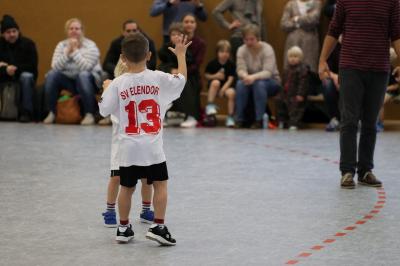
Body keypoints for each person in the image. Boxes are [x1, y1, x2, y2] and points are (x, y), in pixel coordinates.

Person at [98, 32, 189, 245]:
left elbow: (103, 110)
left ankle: (122, 228)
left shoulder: (118, 83)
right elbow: (181, 81)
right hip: (153, 147)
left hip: (128, 147)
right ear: (149, 55)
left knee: (127, 188)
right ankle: (158, 225)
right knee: (160, 184)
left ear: (122, 58)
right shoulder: (158, 78)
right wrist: (181, 55)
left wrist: (106, 89)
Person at [318, 0, 400, 189]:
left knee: (371, 122)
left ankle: (365, 171)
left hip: (380, 69)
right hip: (350, 67)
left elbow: (397, 33)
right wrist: (322, 60)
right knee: (349, 120)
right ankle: (347, 171)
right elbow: (334, 30)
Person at [101, 59, 154, 228]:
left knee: (147, 178)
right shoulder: (115, 89)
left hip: (142, 141)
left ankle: (146, 209)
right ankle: (110, 210)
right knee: (116, 177)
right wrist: (106, 90)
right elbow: (104, 109)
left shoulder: (144, 89)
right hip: (122, 144)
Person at [43, 18, 103, 125]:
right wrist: (66, 53)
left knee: (83, 75)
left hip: (89, 81)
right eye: (71, 29)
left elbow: (87, 68)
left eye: (77, 28)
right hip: (69, 81)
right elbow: (55, 66)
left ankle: (89, 114)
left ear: (82, 31)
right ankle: (52, 112)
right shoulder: (61, 45)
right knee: (52, 75)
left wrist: (75, 51)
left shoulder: (90, 46)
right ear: (67, 31)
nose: (74, 31)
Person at [99, 19, 157, 125]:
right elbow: (106, 63)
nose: (132, 33)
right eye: (128, 31)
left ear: (139, 31)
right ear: (123, 32)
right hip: (119, 76)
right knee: (104, 77)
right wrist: (120, 71)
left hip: (141, 75)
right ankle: (110, 113)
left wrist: (136, 68)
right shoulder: (116, 43)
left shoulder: (147, 42)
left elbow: (153, 63)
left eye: (134, 30)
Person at [235, 24, 281, 129]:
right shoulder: (241, 50)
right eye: (246, 40)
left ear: (258, 38)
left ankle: (259, 120)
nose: (249, 42)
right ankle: (239, 119)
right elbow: (240, 68)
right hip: (250, 80)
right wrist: (245, 75)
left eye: (252, 39)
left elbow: (268, 72)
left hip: (271, 81)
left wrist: (253, 77)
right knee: (240, 84)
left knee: (259, 84)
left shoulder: (267, 49)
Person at [0, 15, 38, 122]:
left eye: (14, 31)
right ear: (3, 34)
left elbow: (32, 67)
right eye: (8, 32)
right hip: (4, 76)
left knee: (26, 76)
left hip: (23, 75)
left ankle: (26, 113)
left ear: (18, 31)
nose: (12, 34)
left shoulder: (28, 44)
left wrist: (11, 68)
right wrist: (5, 70)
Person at [158, 23, 196, 127]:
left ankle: (191, 116)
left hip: (187, 77)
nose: (176, 37)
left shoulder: (187, 48)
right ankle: (161, 115)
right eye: (173, 34)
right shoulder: (165, 49)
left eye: (179, 34)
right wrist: (171, 70)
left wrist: (180, 71)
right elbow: (162, 65)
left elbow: (192, 66)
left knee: (186, 84)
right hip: (169, 76)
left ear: (183, 36)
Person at [281, 0, 321, 73]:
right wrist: (300, 23)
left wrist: (296, 19)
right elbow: (284, 24)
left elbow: (313, 20)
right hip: (293, 41)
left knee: (309, 71)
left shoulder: (316, 3)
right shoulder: (291, 4)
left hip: (309, 43)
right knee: (291, 71)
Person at [180, 13, 206, 127]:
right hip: (177, 72)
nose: (189, 24)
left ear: (195, 25)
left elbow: (197, 64)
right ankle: (171, 114)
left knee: (188, 83)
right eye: (186, 21)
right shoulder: (178, 40)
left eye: (192, 22)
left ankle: (192, 116)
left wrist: (182, 72)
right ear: (182, 24)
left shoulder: (200, 43)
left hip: (192, 75)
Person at [204, 40, 236, 127]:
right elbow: (206, 75)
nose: (224, 54)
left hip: (226, 87)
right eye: (222, 51)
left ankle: (230, 117)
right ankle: (210, 105)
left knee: (232, 93)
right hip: (215, 87)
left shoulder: (231, 64)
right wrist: (215, 76)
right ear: (217, 52)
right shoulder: (212, 63)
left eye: (227, 52)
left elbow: (230, 79)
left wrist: (223, 89)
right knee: (216, 82)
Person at [277, 46, 309, 130]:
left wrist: (300, 94)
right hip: (287, 93)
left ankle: (294, 123)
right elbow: (283, 82)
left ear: (300, 58)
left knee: (295, 109)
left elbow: (303, 83)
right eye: (291, 56)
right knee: (280, 104)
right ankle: (282, 122)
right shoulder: (286, 69)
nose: (293, 59)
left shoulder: (303, 69)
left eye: (295, 56)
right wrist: (281, 92)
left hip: (296, 94)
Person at [321, 36, 342, 132]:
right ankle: (335, 118)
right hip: (334, 79)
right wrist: (334, 77)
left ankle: (358, 119)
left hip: (351, 77)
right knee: (327, 84)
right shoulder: (332, 48)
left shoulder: (355, 46)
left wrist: (343, 79)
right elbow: (324, 70)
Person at [377, 48, 400, 132]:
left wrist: (384, 88)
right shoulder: (379, 68)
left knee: (380, 101)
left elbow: (396, 86)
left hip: (391, 92)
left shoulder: (393, 70)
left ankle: (379, 124)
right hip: (380, 90)